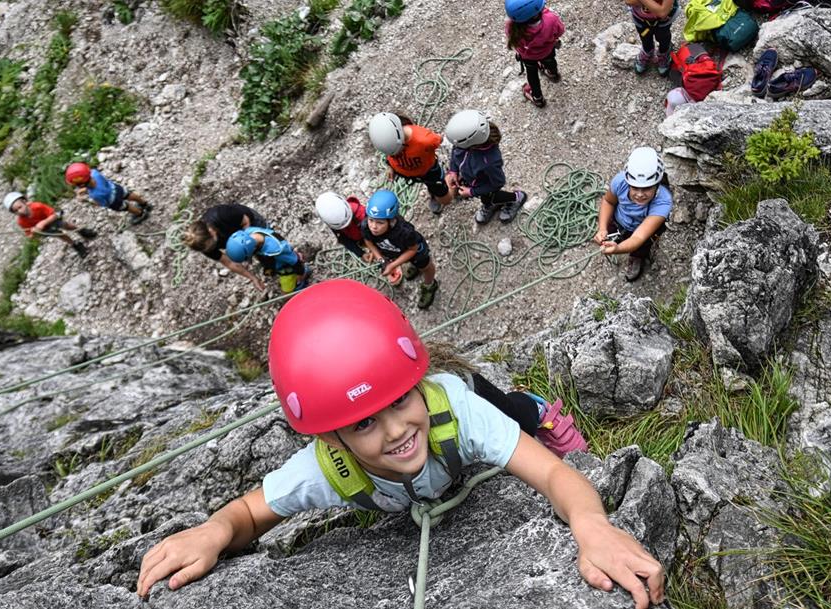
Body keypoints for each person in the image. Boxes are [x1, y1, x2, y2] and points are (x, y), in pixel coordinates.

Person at [136, 279, 665, 609]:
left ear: (416, 384)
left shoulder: (453, 411)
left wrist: (591, 526)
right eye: (364, 423)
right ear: (331, 437)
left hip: (467, 403)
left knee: (514, 414)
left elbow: (550, 473)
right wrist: (213, 531)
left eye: (399, 400)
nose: (394, 430)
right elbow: (249, 513)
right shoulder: (326, 469)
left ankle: (537, 407)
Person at [593, 147, 672, 282]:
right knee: (609, 233)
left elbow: (638, 238)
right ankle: (615, 241)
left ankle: (636, 257)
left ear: (657, 184)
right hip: (618, 221)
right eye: (634, 187)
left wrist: (618, 249)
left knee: (641, 246)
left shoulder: (663, 203)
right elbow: (608, 202)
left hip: (642, 231)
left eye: (647, 188)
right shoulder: (620, 182)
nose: (640, 194)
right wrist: (602, 228)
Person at [361, 189, 439, 310]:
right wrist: (381, 260)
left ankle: (430, 285)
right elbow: (368, 241)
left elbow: (413, 249)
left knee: (425, 267)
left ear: (391, 221)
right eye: (371, 220)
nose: (374, 227)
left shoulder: (405, 232)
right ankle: (414, 266)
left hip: (415, 251)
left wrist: (393, 265)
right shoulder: (366, 225)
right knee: (409, 260)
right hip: (397, 252)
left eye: (380, 223)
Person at [444, 110, 526, 225]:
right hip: (473, 179)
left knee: (491, 197)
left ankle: (516, 198)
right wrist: (454, 171)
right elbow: (455, 151)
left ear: (471, 144)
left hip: (484, 184)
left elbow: (498, 183)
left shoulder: (489, 162)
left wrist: (471, 192)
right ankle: (490, 204)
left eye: (458, 144)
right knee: (485, 198)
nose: (456, 146)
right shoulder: (465, 143)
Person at [368, 112, 454, 215]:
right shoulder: (387, 141)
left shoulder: (424, 140)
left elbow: (439, 140)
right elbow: (389, 156)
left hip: (429, 173)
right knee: (432, 188)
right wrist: (390, 167)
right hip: (407, 171)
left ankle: (451, 183)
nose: (397, 154)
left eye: (399, 150)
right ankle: (434, 191)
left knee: (446, 200)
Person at [183, 204, 273, 289]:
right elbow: (229, 263)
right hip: (233, 238)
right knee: (257, 253)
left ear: (210, 231)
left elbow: (246, 220)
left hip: (248, 222)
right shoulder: (204, 246)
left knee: (269, 243)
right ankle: (267, 261)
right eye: (208, 248)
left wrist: (247, 242)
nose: (211, 248)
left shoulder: (221, 214)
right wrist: (253, 278)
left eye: (211, 244)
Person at [506, 0, 565, 108]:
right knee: (550, 61)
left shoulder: (511, 26)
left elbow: (513, 40)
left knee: (532, 74)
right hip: (547, 51)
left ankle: (538, 98)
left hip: (527, 56)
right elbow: (560, 31)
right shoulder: (551, 19)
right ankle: (553, 73)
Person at [2, 191, 96, 258]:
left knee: (65, 225)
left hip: (52, 219)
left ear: (25, 202)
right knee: (60, 235)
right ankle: (74, 244)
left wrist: (43, 222)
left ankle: (80, 230)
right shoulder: (21, 221)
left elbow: (54, 215)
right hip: (45, 229)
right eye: (16, 211)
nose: (19, 211)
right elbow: (30, 235)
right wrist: (34, 232)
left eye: (19, 207)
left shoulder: (37, 206)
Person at [225, 227, 310, 293]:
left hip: (286, 268)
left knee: (286, 293)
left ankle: (301, 282)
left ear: (253, 249)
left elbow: (294, 261)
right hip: (276, 260)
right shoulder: (250, 232)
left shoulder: (277, 250)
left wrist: (300, 274)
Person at [64, 162, 153, 225]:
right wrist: (86, 189)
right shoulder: (94, 173)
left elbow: (101, 203)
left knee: (126, 206)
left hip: (113, 200)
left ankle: (140, 214)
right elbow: (94, 185)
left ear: (81, 184)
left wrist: (86, 200)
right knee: (128, 194)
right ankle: (144, 204)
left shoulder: (95, 195)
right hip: (115, 188)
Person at [626, 0, 677, 75]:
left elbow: (663, 12)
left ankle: (664, 52)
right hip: (640, 18)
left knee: (663, 37)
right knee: (645, 37)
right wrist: (656, 4)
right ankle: (647, 50)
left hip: (662, 20)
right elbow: (629, 1)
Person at [314, 192, 367, 258]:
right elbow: (343, 239)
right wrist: (361, 254)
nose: (348, 224)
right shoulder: (333, 221)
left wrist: (372, 247)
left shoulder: (361, 213)